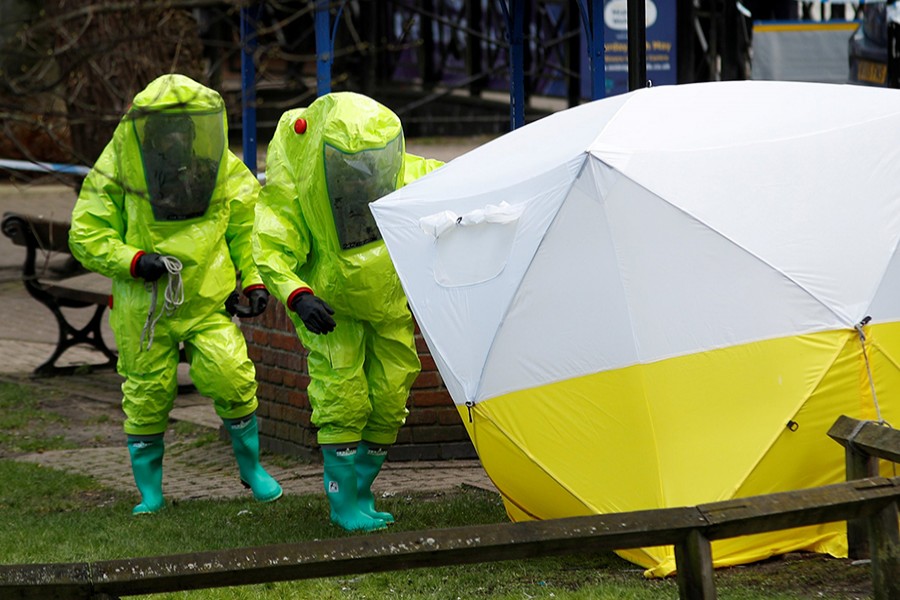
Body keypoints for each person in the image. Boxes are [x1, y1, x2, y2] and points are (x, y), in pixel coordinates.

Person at [68, 73, 282, 515]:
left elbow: (248, 226)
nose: (177, 138)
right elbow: (86, 232)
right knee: (147, 395)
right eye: (168, 130)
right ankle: (151, 492)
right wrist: (132, 260)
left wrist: (255, 280)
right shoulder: (119, 166)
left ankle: (252, 469)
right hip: (144, 307)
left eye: (185, 128)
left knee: (231, 376)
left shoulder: (219, 166)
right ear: (148, 130)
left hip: (205, 298)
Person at [253, 92, 443, 532]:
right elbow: (270, 245)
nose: (360, 177)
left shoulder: (400, 171)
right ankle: (343, 504)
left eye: (369, 166)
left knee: (392, 393)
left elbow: (456, 186)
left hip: (386, 303)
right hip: (332, 308)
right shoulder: (303, 186)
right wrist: (298, 295)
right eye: (350, 168)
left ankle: (360, 492)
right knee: (343, 395)